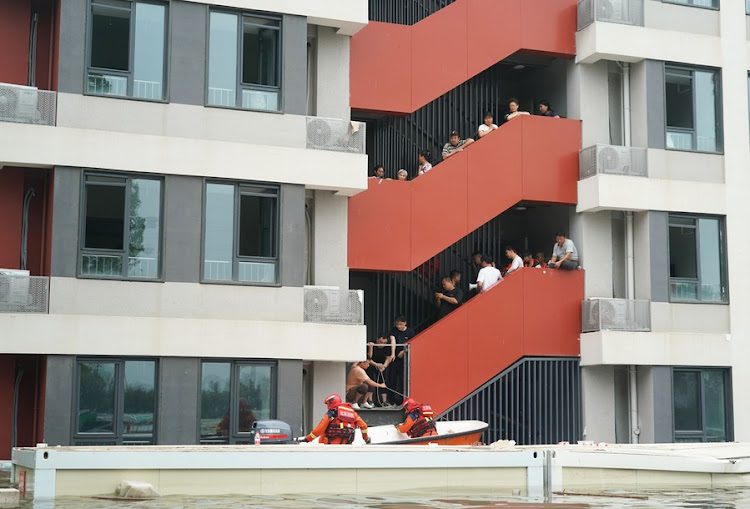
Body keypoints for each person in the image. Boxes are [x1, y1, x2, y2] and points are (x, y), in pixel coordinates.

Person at [305, 394, 370, 444]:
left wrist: (307, 439)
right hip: (345, 446)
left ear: (331, 403)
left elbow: (319, 429)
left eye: (327, 404)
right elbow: (364, 426)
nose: (327, 407)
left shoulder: (331, 414)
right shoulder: (352, 413)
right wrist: (366, 438)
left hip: (329, 445)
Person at [387, 315, 414, 404]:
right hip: (395, 358)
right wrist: (393, 353)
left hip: (405, 359)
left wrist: (404, 352)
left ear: (405, 323)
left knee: (404, 380)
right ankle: (391, 401)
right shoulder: (393, 330)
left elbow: (412, 343)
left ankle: (403, 401)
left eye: (401, 324)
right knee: (392, 380)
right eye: (397, 324)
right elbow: (393, 341)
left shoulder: (410, 331)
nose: (399, 326)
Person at [367, 333, 392, 407]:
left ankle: (384, 401)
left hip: (382, 365)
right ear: (377, 340)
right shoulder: (371, 343)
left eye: (384, 343)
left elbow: (388, 357)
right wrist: (376, 364)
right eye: (381, 342)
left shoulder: (387, 346)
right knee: (370, 381)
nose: (382, 344)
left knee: (383, 381)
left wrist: (384, 366)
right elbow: (368, 358)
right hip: (371, 364)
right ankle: (370, 400)